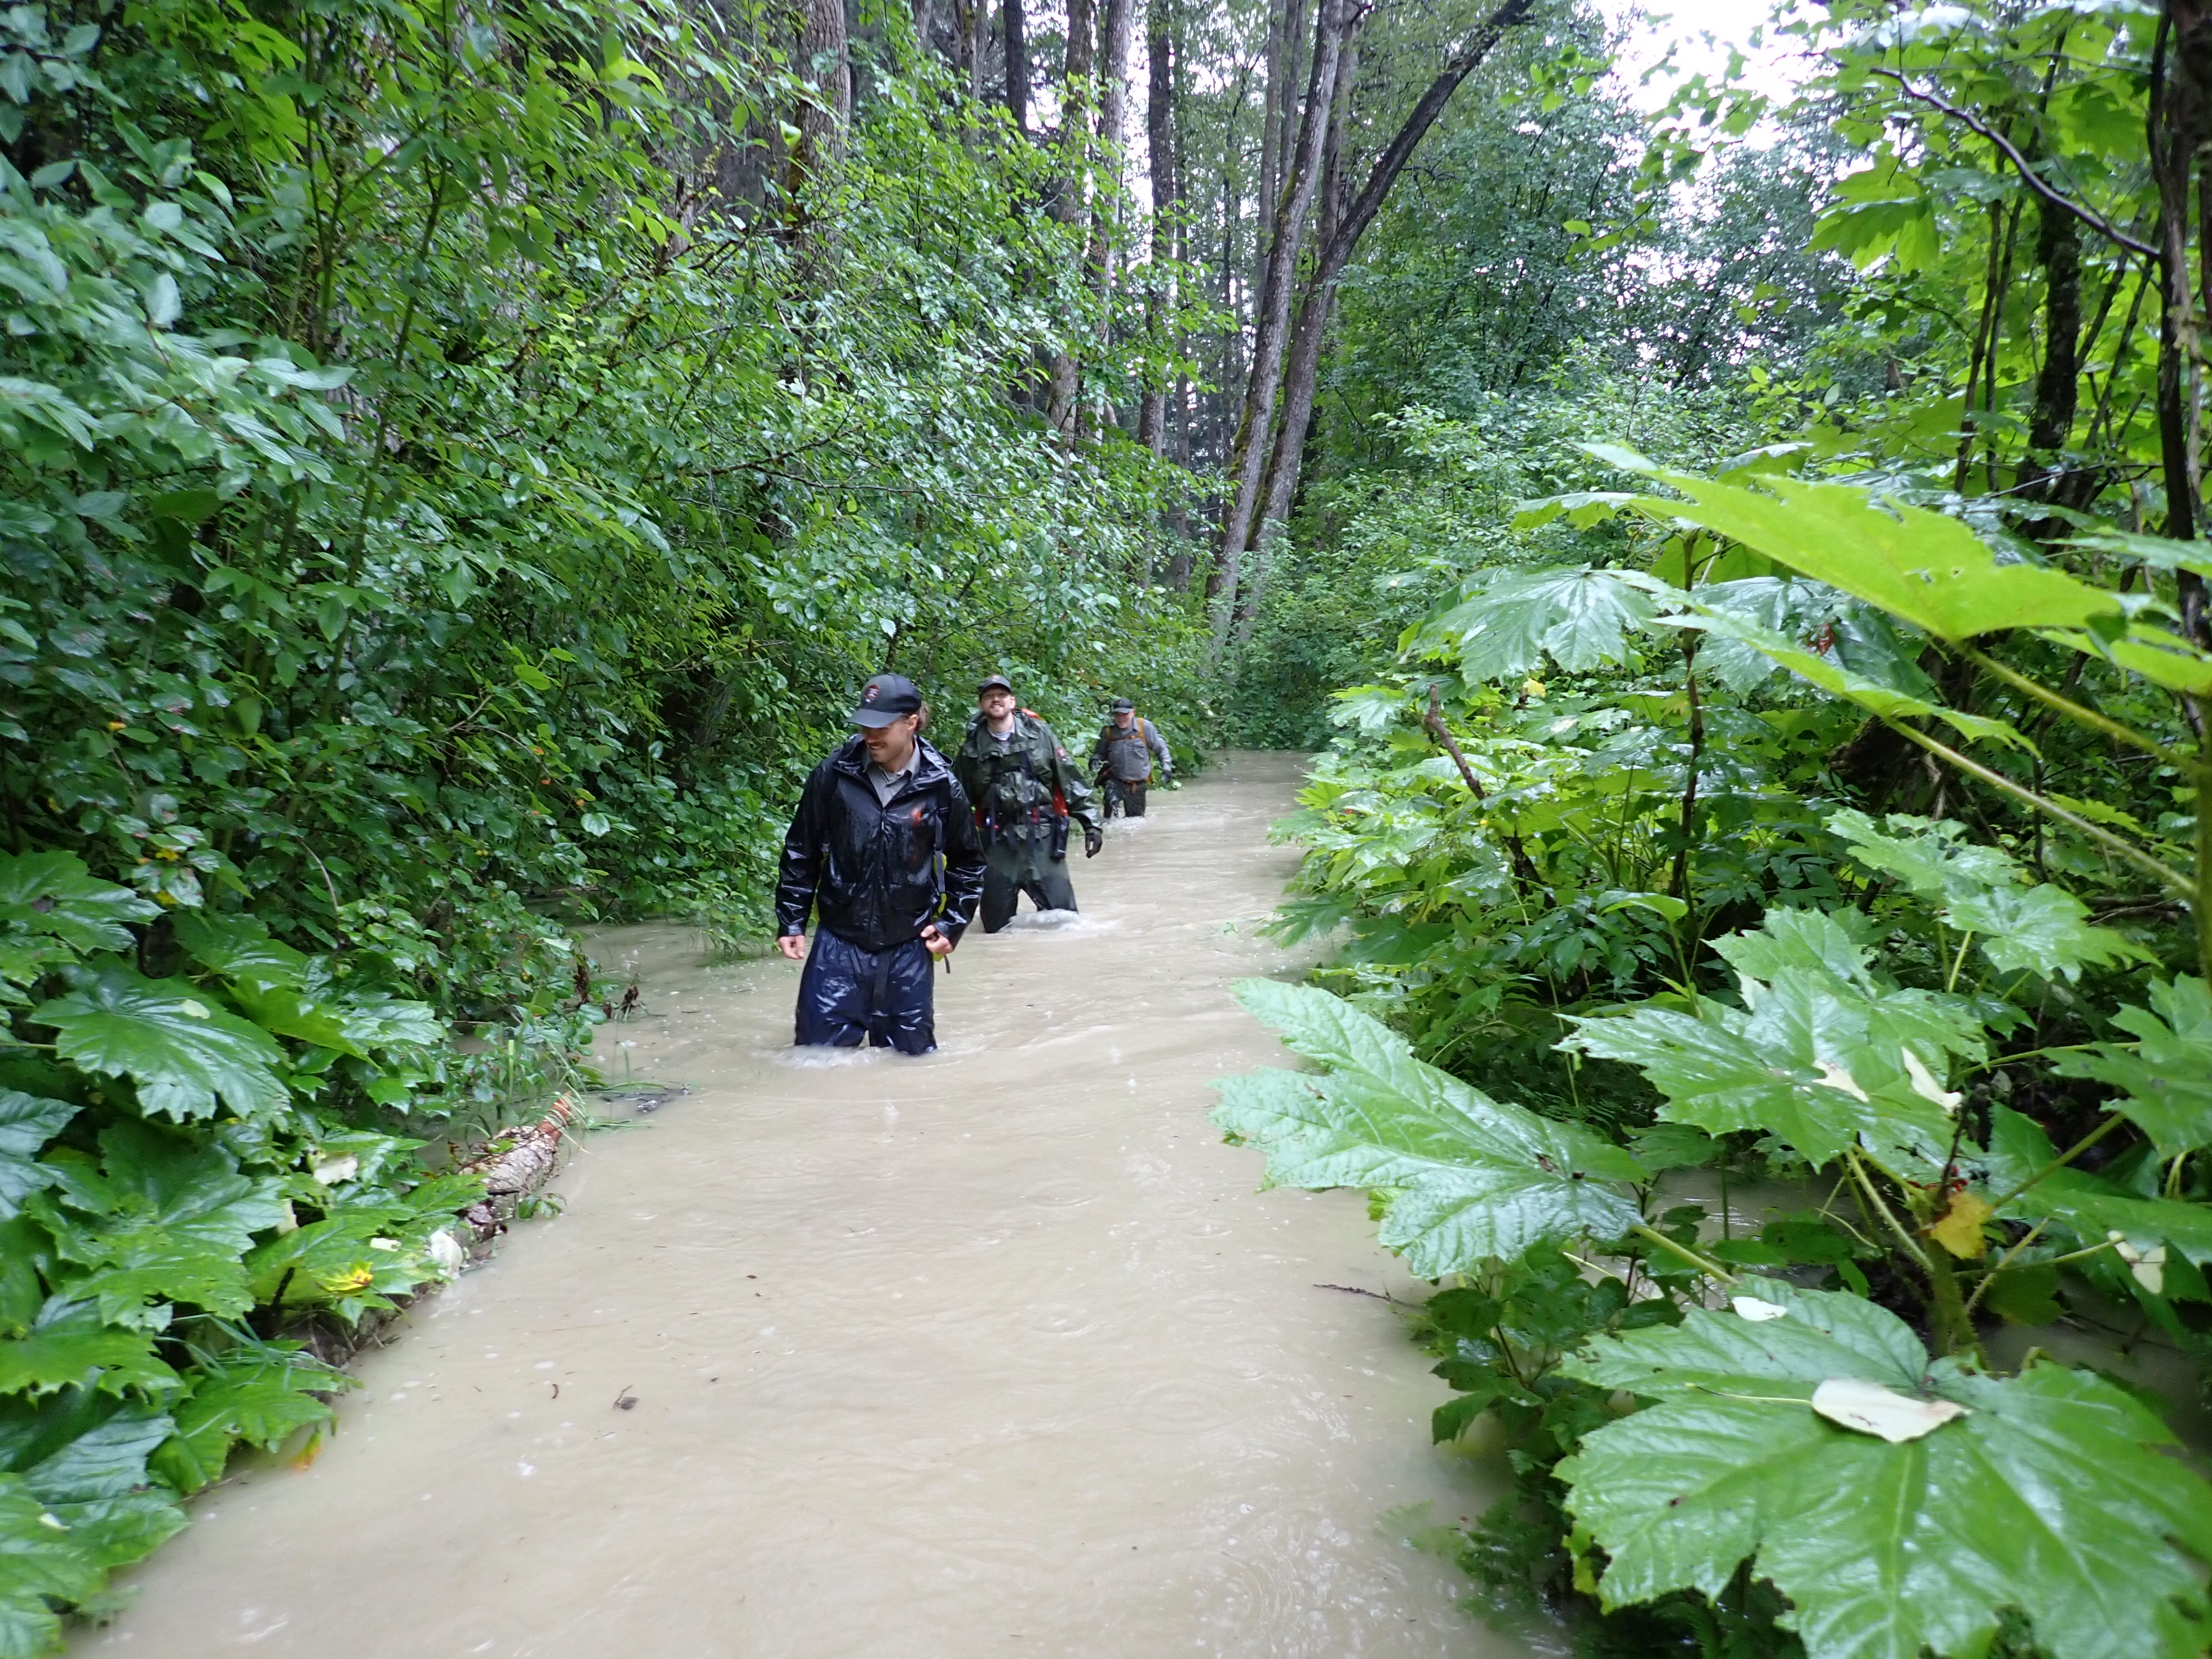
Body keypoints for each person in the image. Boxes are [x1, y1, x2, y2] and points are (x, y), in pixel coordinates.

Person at [774, 672, 985, 1053]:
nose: (870, 736)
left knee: (911, 1065)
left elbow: (968, 864)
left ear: (911, 722)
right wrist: (791, 920)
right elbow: (800, 850)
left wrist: (952, 924)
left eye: (881, 727)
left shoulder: (942, 787)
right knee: (815, 1062)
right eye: (864, 725)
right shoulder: (833, 775)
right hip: (839, 944)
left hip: (910, 947)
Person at [952, 674, 1103, 933]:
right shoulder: (971, 747)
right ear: (981, 705)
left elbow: (1069, 778)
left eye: (1001, 695)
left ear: (1012, 701)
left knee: (1066, 924)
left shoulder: (1040, 735)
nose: (995, 700)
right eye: (989, 696)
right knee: (995, 930)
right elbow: (956, 799)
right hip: (997, 843)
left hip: (1042, 837)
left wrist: (1092, 824)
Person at [1091, 696, 1172, 818]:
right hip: (1115, 779)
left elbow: (1161, 749)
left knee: (1135, 821)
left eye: (1125, 714)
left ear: (1133, 713)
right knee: (1110, 810)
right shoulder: (1108, 732)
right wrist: (1094, 760)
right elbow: (1099, 753)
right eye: (1117, 715)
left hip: (1137, 784)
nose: (1121, 718)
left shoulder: (1144, 727)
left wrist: (1167, 769)